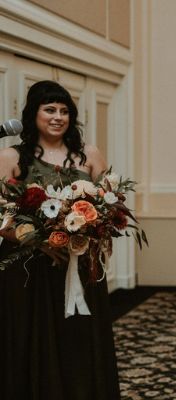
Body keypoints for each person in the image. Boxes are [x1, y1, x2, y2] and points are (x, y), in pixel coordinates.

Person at [0, 80, 120, 399]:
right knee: (31, 339)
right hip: (29, 268)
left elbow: (111, 206)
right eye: (49, 109)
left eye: (64, 111)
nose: (58, 117)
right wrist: (39, 240)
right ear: (32, 114)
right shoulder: (10, 156)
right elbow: (1, 217)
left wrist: (92, 228)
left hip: (79, 264)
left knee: (78, 341)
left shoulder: (88, 155)